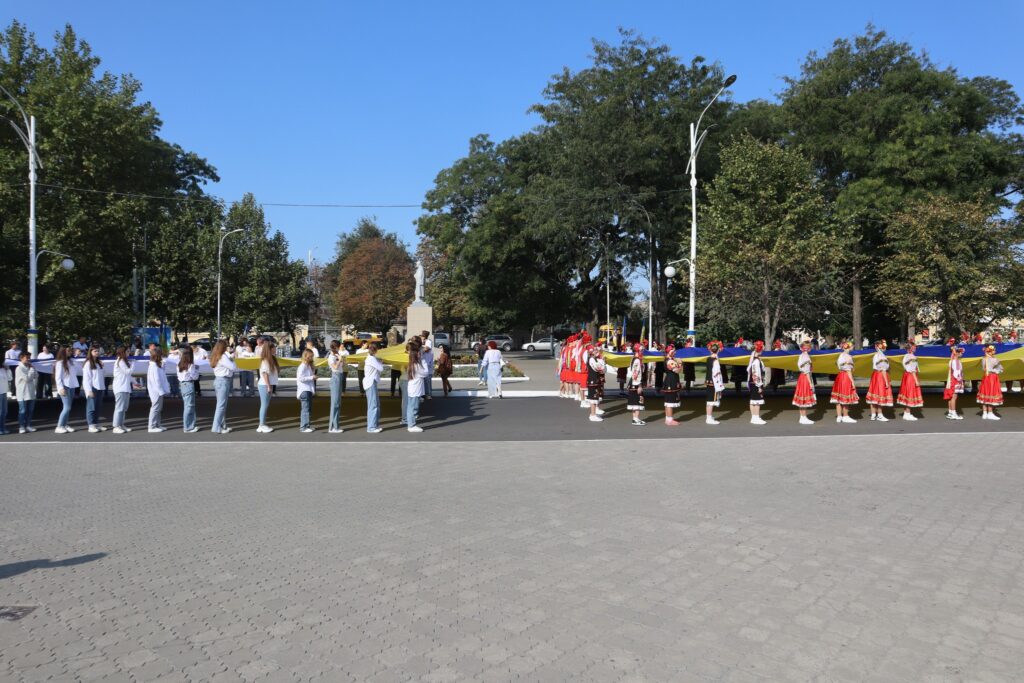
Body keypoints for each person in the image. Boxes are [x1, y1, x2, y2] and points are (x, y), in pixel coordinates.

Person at [210, 340, 237, 434]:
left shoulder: (217, 356)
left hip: (220, 381)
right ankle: (216, 427)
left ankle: (222, 425)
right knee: (221, 406)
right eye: (226, 346)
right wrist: (232, 359)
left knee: (222, 405)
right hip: (223, 381)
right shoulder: (223, 357)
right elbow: (233, 367)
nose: (227, 347)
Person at [865, 340, 894, 422]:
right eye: (884, 346)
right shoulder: (881, 356)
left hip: (875, 375)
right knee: (880, 393)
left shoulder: (877, 355)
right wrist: (886, 381)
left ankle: (873, 414)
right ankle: (880, 415)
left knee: (874, 394)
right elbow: (883, 370)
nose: (885, 347)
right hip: (880, 376)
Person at [831, 341, 859, 423]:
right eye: (852, 346)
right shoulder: (848, 357)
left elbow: (838, 365)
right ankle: (845, 416)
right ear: (849, 347)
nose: (852, 347)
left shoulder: (840, 356)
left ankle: (839, 416)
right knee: (846, 395)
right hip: (846, 377)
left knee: (838, 397)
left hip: (840, 376)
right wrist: (852, 382)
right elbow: (849, 370)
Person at [405, 342, 429, 432]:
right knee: (412, 407)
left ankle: (411, 424)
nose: (420, 354)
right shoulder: (417, 365)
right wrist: (423, 360)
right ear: (416, 355)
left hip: (412, 389)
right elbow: (425, 373)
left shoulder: (412, 364)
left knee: (410, 407)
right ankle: (411, 425)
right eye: (419, 353)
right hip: (415, 390)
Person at [53, 347, 78, 434]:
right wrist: (60, 388)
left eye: (71, 351)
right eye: (68, 351)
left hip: (71, 386)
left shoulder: (70, 361)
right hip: (64, 387)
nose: (70, 352)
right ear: (63, 352)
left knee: (69, 408)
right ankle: (59, 426)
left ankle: (65, 424)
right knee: (66, 407)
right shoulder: (59, 363)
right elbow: (58, 377)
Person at [896, 341, 924, 421]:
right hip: (911, 376)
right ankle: (907, 413)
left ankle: (907, 413)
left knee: (909, 393)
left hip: (909, 376)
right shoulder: (909, 357)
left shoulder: (910, 356)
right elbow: (911, 369)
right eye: (914, 346)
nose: (915, 348)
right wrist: (916, 380)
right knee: (910, 394)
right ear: (910, 348)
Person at [256, 341, 279, 433]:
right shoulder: (265, 360)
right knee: (264, 405)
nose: (275, 349)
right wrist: (269, 386)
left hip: (267, 385)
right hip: (264, 385)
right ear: (270, 349)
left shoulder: (271, 359)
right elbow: (265, 374)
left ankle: (261, 425)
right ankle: (261, 425)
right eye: (274, 348)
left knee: (265, 405)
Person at [82, 346, 107, 432]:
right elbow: (86, 379)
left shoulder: (99, 363)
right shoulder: (88, 363)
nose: (97, 352)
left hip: (100, 387)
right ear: (91, 352)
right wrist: (89, 390)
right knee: (91, 407)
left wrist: (102, 366)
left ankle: (96, 424)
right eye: (95, 351)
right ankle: (91, 425)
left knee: (98, 407)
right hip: (92, 388)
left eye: (98, 351)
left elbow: (103, 374)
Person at [111, 346, 135, 434]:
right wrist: (133, 364)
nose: (129, 353)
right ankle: (116, 426)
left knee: (124, 408)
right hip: (120, 387)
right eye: (127, 351)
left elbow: (128, 375)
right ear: (123, 352)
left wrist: (135, 382)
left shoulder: (124, 362)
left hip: (125, 387)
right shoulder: (120, 361)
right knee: (119, 408)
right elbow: (128, 372)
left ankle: (121, 424)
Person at [792, 339, 816, 425]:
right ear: (808, 348)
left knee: (802, 397)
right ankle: (803, 417)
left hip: (802, 377)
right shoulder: (806, 357)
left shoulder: (801, 355)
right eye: (809, 347)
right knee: (805, 396)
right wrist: (810, 383)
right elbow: (807, 371)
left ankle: (802, 417)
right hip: (805, 377)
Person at [977, 345, 1004, 420]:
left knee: (986, 392)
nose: (995, 351)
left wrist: (995, 370)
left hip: (987, 377)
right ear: (990, 351)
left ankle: (985, 412)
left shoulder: (984, 359)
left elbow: (984, 368)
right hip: (991, 378)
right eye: (994, 350)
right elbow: (1001, 369)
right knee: (991, 393)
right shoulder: (994, 359)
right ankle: (989, 413)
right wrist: (996, 371)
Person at [177, 346, 200, 433]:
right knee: (189, 407)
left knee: (188, 406)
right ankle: (187, 427)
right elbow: (195, 377)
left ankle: (190, 425)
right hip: (189, 384)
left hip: (183, 385)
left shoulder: (179, 364)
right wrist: (197, 370)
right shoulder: (191, 365)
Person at [147, 348, 170, 432]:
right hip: (156, 391)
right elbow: (156, 380)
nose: (162, 356)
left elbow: (161, 375)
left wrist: (163, 365)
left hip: (158, 390)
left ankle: (157, 424)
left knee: (158, 408)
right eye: (161, 355)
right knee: (155, 408)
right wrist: (161, 391)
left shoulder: (156, 365)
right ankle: (151, 426)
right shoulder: (153, 366)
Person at [326, 340, 347, 433]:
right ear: (336, 347)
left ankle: (336, 426)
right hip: (335, 378)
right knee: (334, 403)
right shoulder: (330, 357)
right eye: (340, 346)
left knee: (338, 403)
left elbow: (341, 366)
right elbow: (334, 367)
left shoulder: (336, 356)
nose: (341, 348)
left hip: (340, 377)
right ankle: (332, 427)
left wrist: (341, 359)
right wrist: (340, 360)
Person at [15, 351, 37, 433]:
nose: (28, 359)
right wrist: (31, 369)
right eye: (27, 358)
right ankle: (21, 426)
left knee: (30, 410)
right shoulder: (19, 368)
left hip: (31, 391)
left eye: (29, 358)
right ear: (21, 358)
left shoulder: (30, 367)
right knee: (22, 410)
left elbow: (36, 376)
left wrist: (33, 369)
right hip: (22, 392)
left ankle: (28, 425)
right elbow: (27, 379)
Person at [364, 342, 384, 433]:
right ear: (376, 350)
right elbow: (381, 368)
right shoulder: (371, 359)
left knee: (375, 405)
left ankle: (374, 425)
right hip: (370, 383)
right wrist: (381, 362)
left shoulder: (371, 358)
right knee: (373, 405)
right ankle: (371, 427)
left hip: (371, 383)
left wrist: (379, 361)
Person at [296, 348, 317, 433]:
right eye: (310, 356)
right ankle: (303, 427)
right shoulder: (303, 366)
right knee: (305, 409)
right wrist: (312, 377)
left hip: (307, 390)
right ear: (306, 356)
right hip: (304, 390)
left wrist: (313, 370)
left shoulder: (308, 365)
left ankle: (307, 425)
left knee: (307, 409)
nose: (311, 358)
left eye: (312, 356)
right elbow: (300, 378)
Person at [747, 341, 767, 425]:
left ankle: (754, 417)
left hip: (753, 382)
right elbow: (756, 374)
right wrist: (759, 385)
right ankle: (755, 417)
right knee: (757, 400)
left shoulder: (755, 359)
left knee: (753, 400)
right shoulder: (756, 361)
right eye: (762, 348)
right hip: (755, 382)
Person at [705, 342, 725, 425]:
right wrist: (719, 385)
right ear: (718, 350)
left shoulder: (708, 358)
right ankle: (709, 418)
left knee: (710, 400)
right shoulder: (715, 360)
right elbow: (716, 374)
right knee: (711, 401)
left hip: (709, 381)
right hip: (713, 382)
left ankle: (709, 417)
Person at [944, 345, 965, 420]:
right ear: (956, 353)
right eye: (959, 352)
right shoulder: (956, 361)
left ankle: (950, 412)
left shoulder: (951, 360)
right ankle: (953, 413)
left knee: (951, 397)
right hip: (955, 380)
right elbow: (957, 373)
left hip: (951, 380)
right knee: (954, 397)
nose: (961, 353)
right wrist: (960, 380)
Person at [661, 345, 681, 426]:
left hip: (670, 380)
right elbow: (677, 371)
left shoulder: (669, 360)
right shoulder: (670, 361)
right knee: (670, 401)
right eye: (673, 351)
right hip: (671, 381)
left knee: (668, 401)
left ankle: (668, 418)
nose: (675, 352)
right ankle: (669, 419)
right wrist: (680, 363)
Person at [627, 344, 646, 426]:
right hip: (636, 383)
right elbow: (636, 374)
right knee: (637, 401)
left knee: (634, 401)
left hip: (633, 382)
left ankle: (635, 418)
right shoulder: (637, 360)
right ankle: (636, 419)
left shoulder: (634, 359)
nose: (642, 352)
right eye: (641, 350)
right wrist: (639, 385)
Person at [586, 346, 607, 422]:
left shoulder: (597, 359)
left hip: (596, 380)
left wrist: (602, 363)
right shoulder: (591, 359)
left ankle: (594, 413)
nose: (596, 352)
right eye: (594, 351)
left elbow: (604, 370)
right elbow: (598, 368)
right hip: (592, 380)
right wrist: (602, 364)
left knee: (595, 397)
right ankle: (592, 414)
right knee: (593, 398)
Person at [421, 331, 434, 399]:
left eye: (422, 336)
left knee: (427, 380)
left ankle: (429, 394)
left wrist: (420, 349)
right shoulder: (423, 342)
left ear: (424, 336)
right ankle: (424, 394)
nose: (421, 337)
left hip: (428, 364)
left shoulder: (428, 341)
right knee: (423, 380)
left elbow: (426, 349)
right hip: (423, 364)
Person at [0, 355, 8, 434]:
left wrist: (7, 370)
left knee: (4, 411)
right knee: (0, 411)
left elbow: (10, 378)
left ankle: (3, 427)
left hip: (4, 392)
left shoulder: (3, 369)